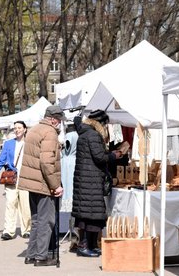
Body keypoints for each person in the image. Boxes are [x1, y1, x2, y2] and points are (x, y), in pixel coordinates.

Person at [18, 105, 65, 267]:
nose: (59, 123)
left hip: (32, 182)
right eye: (58, 120)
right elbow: (46, 162)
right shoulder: (49, 132)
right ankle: (41, 257)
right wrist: (56, 185)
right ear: (52, 119)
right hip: (43, 183)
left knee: (37, 220)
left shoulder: (34, 129)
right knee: (46, 221)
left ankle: (31, 255)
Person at [71, 109, 121, 257]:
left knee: (89, 215)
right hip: (90, 180)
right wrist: (114, 155)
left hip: (86, 180)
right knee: (91, 215)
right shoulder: (92, 135)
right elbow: (99, 157)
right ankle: (84, 246)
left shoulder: (85, 133)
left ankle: (90, 245)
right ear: (100, 123)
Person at [0, 121, 31, 240]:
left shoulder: (30, 143)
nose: (17, 130)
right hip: (12, 177)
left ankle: (27, 229)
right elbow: (1, 160)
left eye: (19, 128)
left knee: (25, 206)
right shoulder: (8, 143)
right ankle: (9, 231)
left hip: (26, 178)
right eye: (15, 128)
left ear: (25, 129)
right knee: (10, 204)